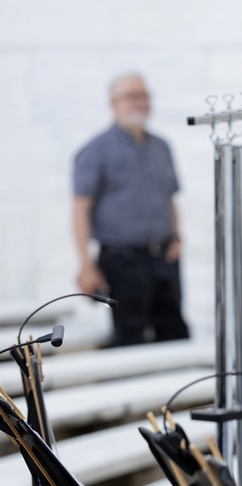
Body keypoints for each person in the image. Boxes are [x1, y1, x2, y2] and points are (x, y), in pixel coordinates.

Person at [73, 72, 189, 346]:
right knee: (130, 337)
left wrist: (177, 237)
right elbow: (80, 209)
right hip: (122, 261)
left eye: (145, 95)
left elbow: (169, 198)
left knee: (175, 332)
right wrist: (85, 265)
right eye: (132, 96)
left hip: (164, 258)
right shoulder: (96, 150)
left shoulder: (162, 146)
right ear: (113, 103)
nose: (141, 102)